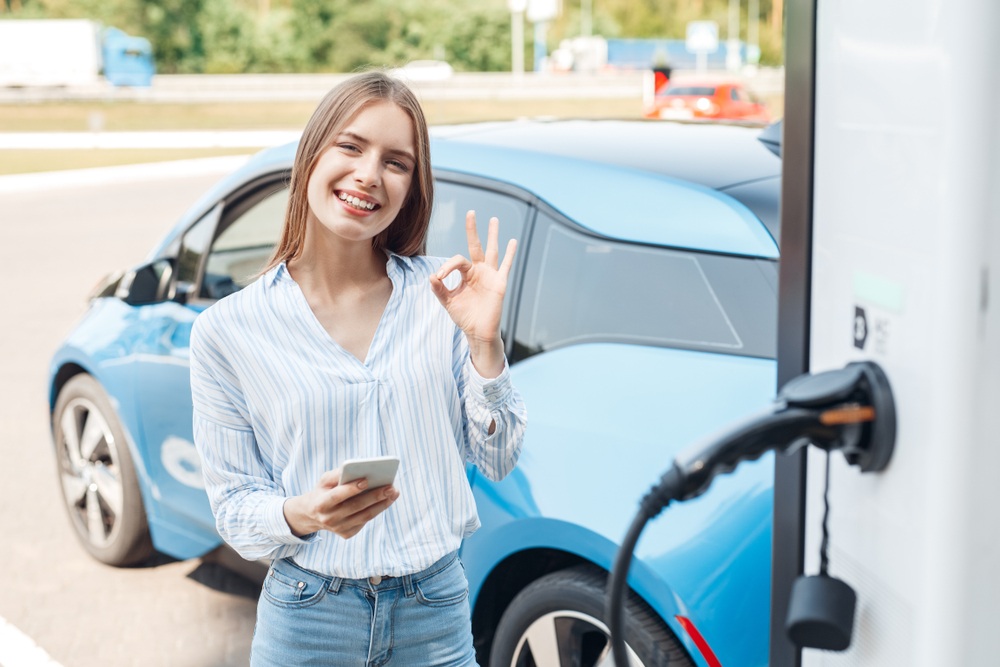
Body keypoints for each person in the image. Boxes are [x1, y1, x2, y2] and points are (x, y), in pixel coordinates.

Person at [189, 71, 528, 666]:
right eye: (351, 146)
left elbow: (498, 460)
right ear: (311, 154)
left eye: (396, 162)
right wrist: (301, 513)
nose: (370, 174)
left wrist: (484, 345)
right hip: (307, 617)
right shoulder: (227, 331)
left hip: (436, 614)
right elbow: (235, 509)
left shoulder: (444, 295)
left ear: (411, 186)